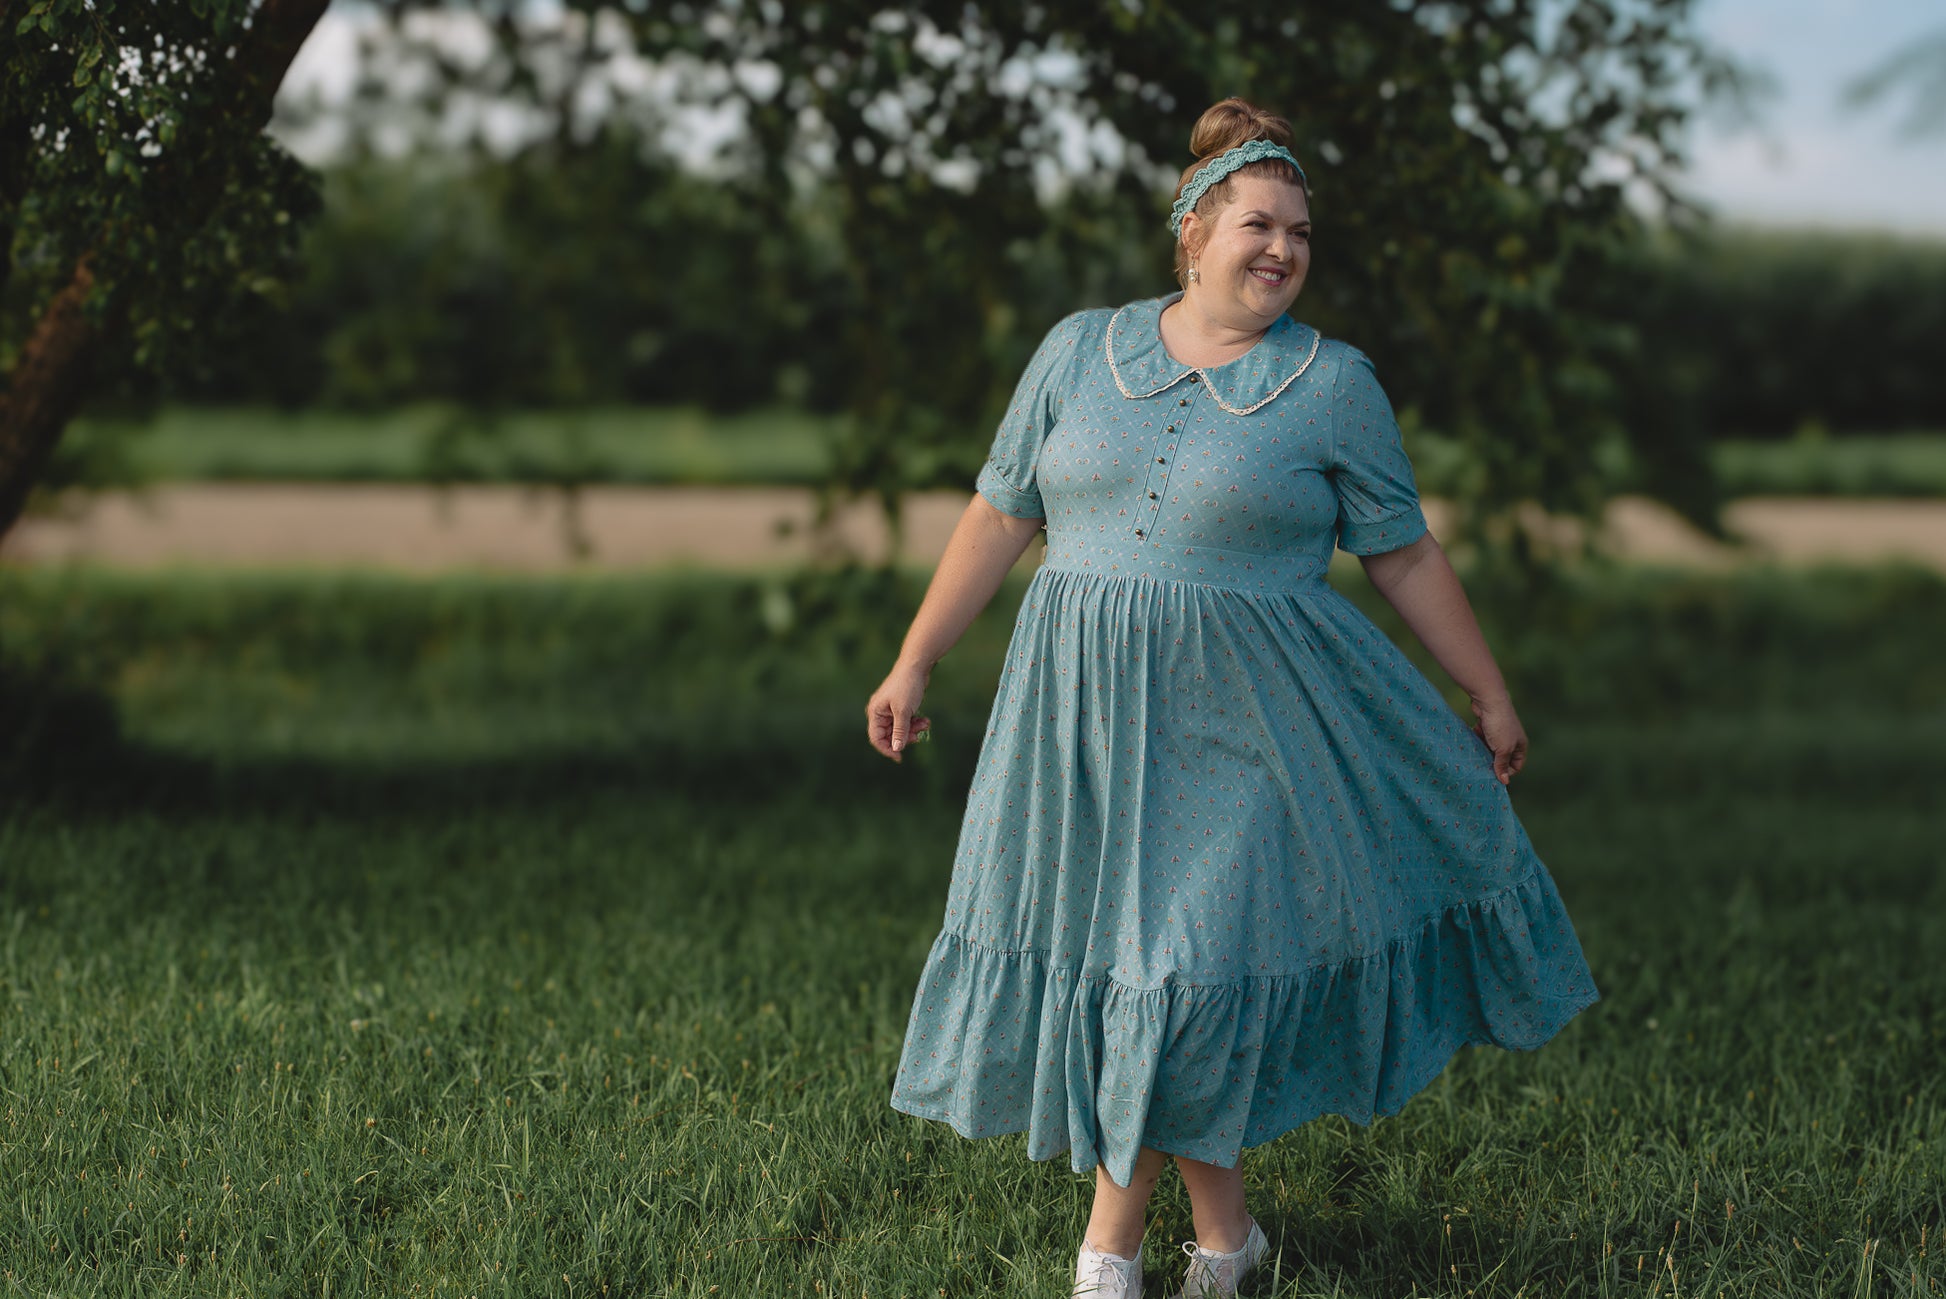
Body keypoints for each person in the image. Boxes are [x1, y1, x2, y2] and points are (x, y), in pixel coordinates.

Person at [864, 97, 1600, 1299]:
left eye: (1300, 234)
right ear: (1191, 232)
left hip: (1254, 728)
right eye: (1259, 224)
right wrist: (912, 661)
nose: (1282, 251)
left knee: (1180, 974)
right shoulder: (1073, 351)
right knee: (1137, 971)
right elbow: (1002, 512)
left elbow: (1402, 553)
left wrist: (1486, 689)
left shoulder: (1333, 385)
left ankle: (1105, 1261)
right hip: (1083, 723)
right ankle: (1231, 1248)